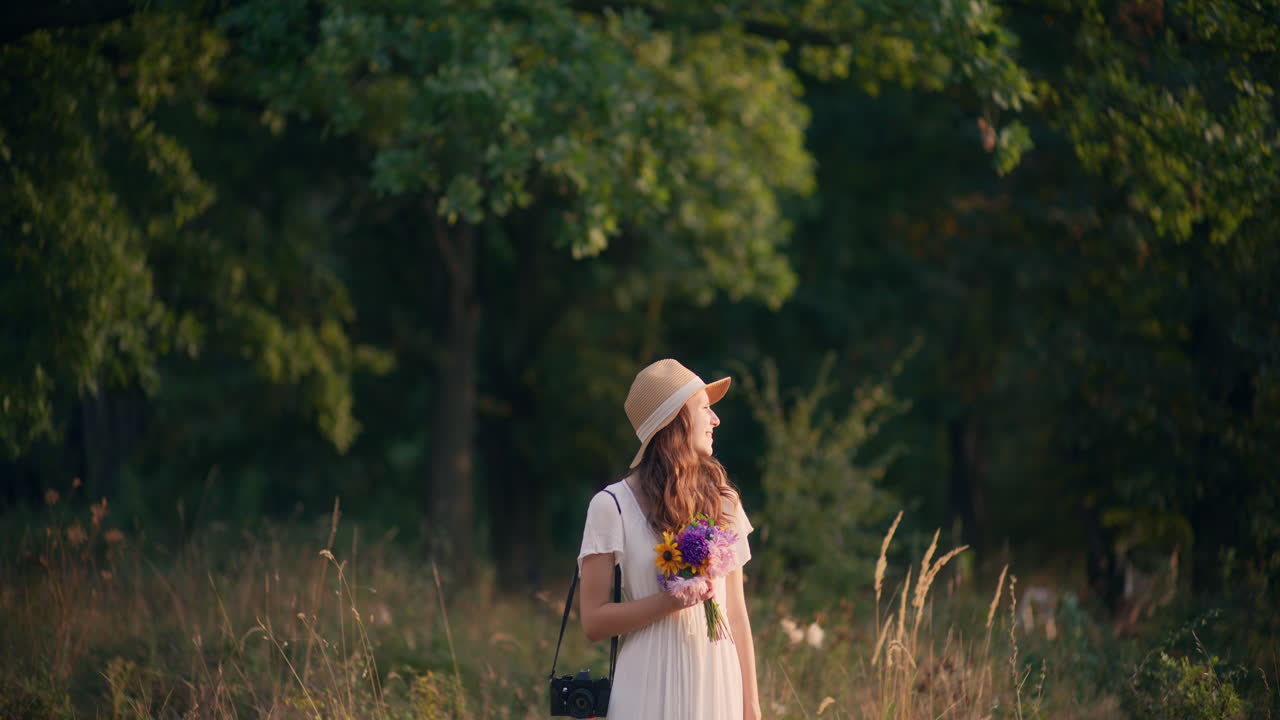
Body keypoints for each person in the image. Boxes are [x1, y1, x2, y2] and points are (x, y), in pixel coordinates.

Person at [577, 358, 761, 720]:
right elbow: (593, 622)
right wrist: (670, 602)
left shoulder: (725, 501)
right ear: (676, 420)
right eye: (705, 409)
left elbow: (736, 615)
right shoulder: (610, 506)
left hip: (717, 681)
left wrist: (751, 707)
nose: (715, 420)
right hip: (647, 683)